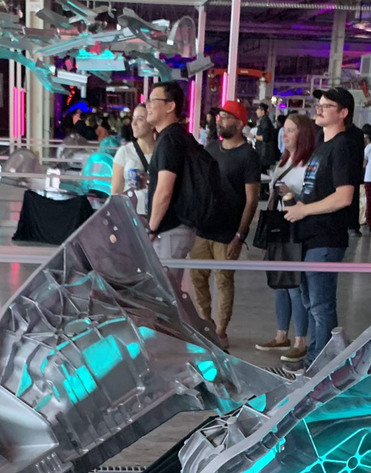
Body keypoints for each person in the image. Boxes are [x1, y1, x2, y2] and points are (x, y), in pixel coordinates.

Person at [284, 86, 361, 365]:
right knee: (310, 303)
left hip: (326, 237)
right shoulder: (322, 146)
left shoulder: (342, 146)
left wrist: (305, 210)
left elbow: (344, 196)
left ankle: (325, 363)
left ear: (343, 113)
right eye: (320, 103)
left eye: (327, 105)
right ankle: (315, 359)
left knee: (321, 305)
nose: (319, 108)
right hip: (310, 236)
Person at [187, 100, 260, 350]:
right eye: (220, 117)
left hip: (228, 231)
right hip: (203, 227)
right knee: (197, 277)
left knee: (224, 281)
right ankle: (205, 322)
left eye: (227, 117)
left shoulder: (248, 155)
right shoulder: (210, 149)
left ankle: (220, 330)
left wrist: (240, 235)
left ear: (239, 124)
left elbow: (252, 200)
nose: (220, 121)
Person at [255, 113, 315, 364]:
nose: (285, 134)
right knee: (279, 283)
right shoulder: (283, 162)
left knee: (293, 285)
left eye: (291, 130)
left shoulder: (309, 165)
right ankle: (282, 334)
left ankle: (301, 339)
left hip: (296, 228)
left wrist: (290, 194)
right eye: (285, 129)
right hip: (280, 226)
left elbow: (310, 200)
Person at [145, 80, 199, 269]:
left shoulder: (168, 140)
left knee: (165, 294)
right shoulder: (179, 136)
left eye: (153, 100)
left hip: (169, 229)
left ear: (170, 106)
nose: (148, 105)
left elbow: (165, 191)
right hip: (179, 228)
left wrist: (151, 228)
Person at [110, 104, 155, 216]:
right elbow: (116, 191)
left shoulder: (162, 152)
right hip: (131, 215)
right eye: (133, 119)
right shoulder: (125, 151)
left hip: (156, 217)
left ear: (152, 124)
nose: (133, 123)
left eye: (140, 119)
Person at [254, 102, 277, 170]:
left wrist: (253, 136)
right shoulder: (264, 120)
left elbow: (265, 137)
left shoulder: (265, 121)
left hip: (264, 153)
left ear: (263, 111)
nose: (256, 111)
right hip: (264, 152)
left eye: (258, 109)